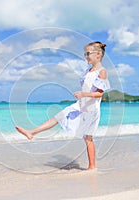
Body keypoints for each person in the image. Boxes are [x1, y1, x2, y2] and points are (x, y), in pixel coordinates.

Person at [16, 41, 110, 170]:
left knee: (88, 138)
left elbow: (100, 94)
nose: (86, 56)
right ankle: (31, 132)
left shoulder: (102, 71)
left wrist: (83, 93)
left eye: (88, 53)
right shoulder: (88, 70)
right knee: (59, 116)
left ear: (98, 54)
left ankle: (92, 167)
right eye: (85, 53)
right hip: (80, 105)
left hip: (91, 109)